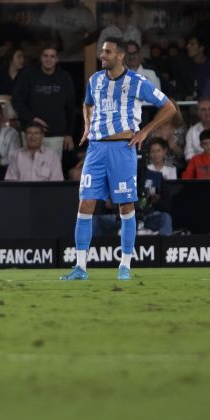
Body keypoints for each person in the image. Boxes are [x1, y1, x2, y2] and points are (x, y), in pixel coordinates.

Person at [61, 36, 177, 281]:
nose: (102, 56)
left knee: (126, 206)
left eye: (108, 52)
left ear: (121, 56)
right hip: (95, 150)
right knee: (85, 205)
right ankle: (80, 267)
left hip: (122, 149)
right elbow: (87, 104)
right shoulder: (95, 80)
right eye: (103, 52)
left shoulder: (137, 82)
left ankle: (124, 266)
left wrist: (145, 131)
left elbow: (169, 107)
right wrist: (87, 126)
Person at [12, 45, 76, 157]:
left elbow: (70, 107)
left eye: (52, 56)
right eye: (45, 56)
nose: (48, 59)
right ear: (41, 58)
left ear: (57, 59)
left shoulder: (64, 77)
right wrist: (33, 118)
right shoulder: (28, 75)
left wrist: (68, 133)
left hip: (56, 134)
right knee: (27, 170)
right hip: (30, 132)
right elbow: (17, 101)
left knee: (52, 171)